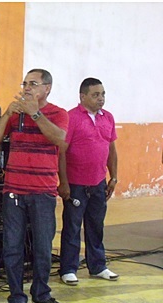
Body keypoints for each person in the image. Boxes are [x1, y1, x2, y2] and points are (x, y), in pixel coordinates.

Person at [0, 68, 69, 303]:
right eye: (25, 83)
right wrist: (7, 115)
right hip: (14, 191)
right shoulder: (16, 114)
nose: (27, 88)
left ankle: (42, 293)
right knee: (13, 247)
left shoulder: (59, 113)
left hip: (43, 192)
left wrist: (35, 113)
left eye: (33, 84)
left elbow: (60, 140)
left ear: (47, 88)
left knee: (43, 247)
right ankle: (17, 298)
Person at [58, 78, 119, 285]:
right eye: (95, 95)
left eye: (102, 94)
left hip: (99, 183)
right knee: (73, 227)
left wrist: (114, 177)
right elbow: (62, 152)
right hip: (76, 184)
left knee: (96, 225)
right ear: (82, 96)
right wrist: (63, 182)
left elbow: (111, 150)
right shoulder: (71, 117)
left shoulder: (108, 118)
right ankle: (68, 268)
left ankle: (98, 266)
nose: (100, 98)